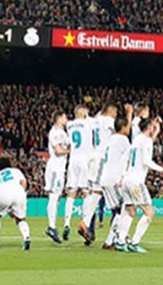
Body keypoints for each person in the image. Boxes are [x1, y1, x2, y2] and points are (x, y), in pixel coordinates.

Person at [79, 102, 129, 244]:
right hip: (101, 158)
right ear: (111, 110)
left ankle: (87, 223)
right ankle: (86, 222)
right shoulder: (109, 121)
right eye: (115, 111)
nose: (116, 114)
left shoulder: (95, 120)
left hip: (92, 156)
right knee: (97, 192)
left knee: (96, 191)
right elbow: (121, 130)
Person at [117, 118, 163, 253]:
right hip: (136, 181)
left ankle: (120, 241)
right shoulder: (146, 141)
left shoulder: (136, 140)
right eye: (152, 126)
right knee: (149, 212)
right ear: (148, 127)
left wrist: (121, 176)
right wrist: (161, 169)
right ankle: (134, 243)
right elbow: (146, 161)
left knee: (130, 211)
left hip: (127, 179)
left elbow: (126, 159)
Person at [99, 114, 132, 250]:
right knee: (123, 210)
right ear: (123, 127)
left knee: (118, 210)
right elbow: (130, 157)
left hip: (105, 178)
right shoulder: (123, 140)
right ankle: (113, 240)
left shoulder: (110, 139)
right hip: (114, 179)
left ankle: (115, 238)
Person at [0, 155, 31, 251]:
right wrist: (18, 200)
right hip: (19, 192)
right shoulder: (16, 171)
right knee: (21, 219)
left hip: (3, 193)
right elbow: (24, 183)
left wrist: (4, 206)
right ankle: (26, 237)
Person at [65, 104, 94, 242]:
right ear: (82, 112)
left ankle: (66, 224)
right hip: (84, 161)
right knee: (86, 192)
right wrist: (87, 116)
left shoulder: (69, 125)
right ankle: (84, 222)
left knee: (71, 192)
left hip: (73, 160)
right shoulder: (88, 122)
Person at [44, 109, 70, 244]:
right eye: (65, 116)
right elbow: (58, 150)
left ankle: (52, 225)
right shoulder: (54, 132)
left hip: (60, 168)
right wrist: (71, 151)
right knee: (54, 196)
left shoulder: (63, 133)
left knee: (57, 196)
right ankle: (51, 226)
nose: (67, 119)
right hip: (55, 168)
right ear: (59, 119)